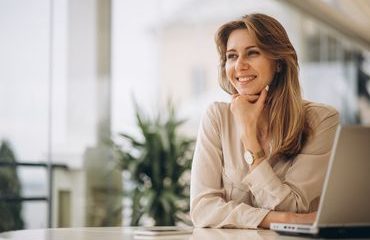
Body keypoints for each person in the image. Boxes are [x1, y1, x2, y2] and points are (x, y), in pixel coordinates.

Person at [190, 13, 339, 229]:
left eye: (252, 53)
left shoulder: (321, 120)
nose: (239, 66)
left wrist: (250, 138)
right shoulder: (216, 117)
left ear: (278, 63)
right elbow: (202, 210)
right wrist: (281, 219)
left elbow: (294, 207)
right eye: (232, 56)